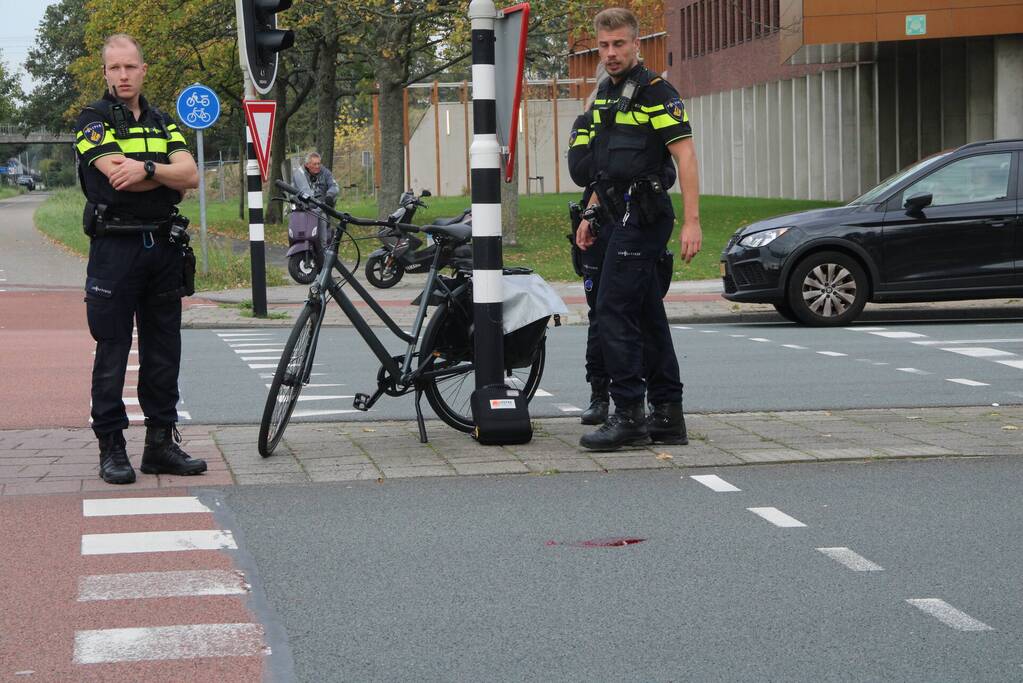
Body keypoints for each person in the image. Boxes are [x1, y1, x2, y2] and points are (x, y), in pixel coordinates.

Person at [76, 33, 205, 484]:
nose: (123, 75)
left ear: (143, 69)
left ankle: (160, 445)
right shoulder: (93, 119)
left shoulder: (162, 120)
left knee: (164, 350)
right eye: (115, 68)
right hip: (115, 249)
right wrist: (165, 176)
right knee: (112, 350)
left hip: (163, 248)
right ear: (106, 72)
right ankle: (112, 447)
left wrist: (148, 168)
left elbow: (190, 176)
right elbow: (116, 180)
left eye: (130, 66)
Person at [575, 7, 701, 451]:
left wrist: (691, 221)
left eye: (619, 45)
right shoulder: (607, 94)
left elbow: (685, 156)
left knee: (612, 308)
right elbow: (606, 168)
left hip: (644, 215)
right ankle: (667, 415)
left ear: (636, 45)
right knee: (646, 312)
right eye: (604, 46)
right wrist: (590, 214)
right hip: (614, 212)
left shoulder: (656, 92)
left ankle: (628, 414)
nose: (610, 53)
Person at [568, 68, 678, 427]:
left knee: (621, 309)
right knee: (616, 312)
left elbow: (672, 165)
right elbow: (586, 169)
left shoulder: (652, 99)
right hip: (604, 219)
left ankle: (635, 409)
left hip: (638, 217)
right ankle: (618, 399)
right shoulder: (592, 119)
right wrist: (593, 208)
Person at [292, 152, 339, 249]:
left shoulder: (325, 172)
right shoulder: (300, 174)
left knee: (323, 222)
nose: (318, 166)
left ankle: (324, 251)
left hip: (321, 208)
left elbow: (334, 186)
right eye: (314, 164)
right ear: (307, 165)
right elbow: (306, 192)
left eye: (319, 163)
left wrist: (330, 195)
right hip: (303, 209)